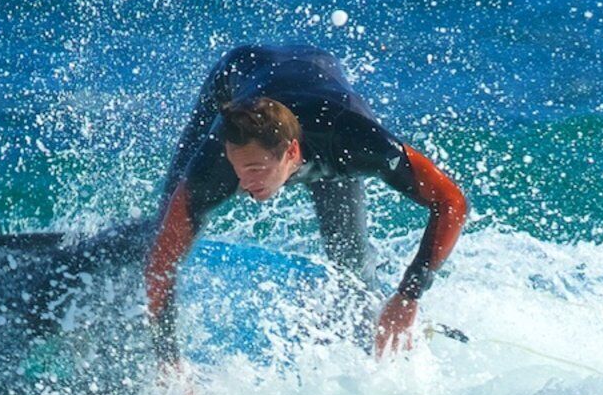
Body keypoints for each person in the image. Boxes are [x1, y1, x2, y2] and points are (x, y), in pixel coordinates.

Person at [142, 44, 468, 370]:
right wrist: (169, 363)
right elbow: (162, 265)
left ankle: (392, 322)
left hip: (323, 86)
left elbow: (451, 202)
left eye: (255, 170)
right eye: (237, 167)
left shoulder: (357, 143)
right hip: (239, 72)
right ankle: (135, 296)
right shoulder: (219, 164)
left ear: (292, 152)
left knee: (351, 260)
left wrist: (409, 295)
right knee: (167, 230)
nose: (243, 180)